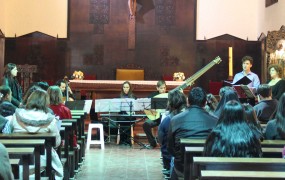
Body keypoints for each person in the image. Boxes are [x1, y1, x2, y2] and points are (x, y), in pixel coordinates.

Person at [9, 89, 63, 179]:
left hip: (17, 159)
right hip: (40, 160)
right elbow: (56, 143)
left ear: (30, 100)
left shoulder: (16, 116)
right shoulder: (50, 120)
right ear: (46, 102)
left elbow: (9, 133)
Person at [167, 87, 218, 179]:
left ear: (187, 101)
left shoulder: (175, 120)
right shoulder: (215, 121)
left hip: (182, 168)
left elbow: (170, 148)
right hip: (206, 168)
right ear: (205, 102)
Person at [158, 90, 187, 177]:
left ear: (170, 103)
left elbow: (160, 140)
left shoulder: (168, 120)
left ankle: (169, 169)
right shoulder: (188, 117)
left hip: (173, 157)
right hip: (192, 157)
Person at [143, 80, 167, 149]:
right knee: (146, 124)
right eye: (161, 88)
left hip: (165, 118)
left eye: (164, 88)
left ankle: (165, 144)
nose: (163, 90)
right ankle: (153, 143)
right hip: (157, 118)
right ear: (157, 88)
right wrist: (152, 110)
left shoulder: (168, 95)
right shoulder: (152, 96)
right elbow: (146, 106)